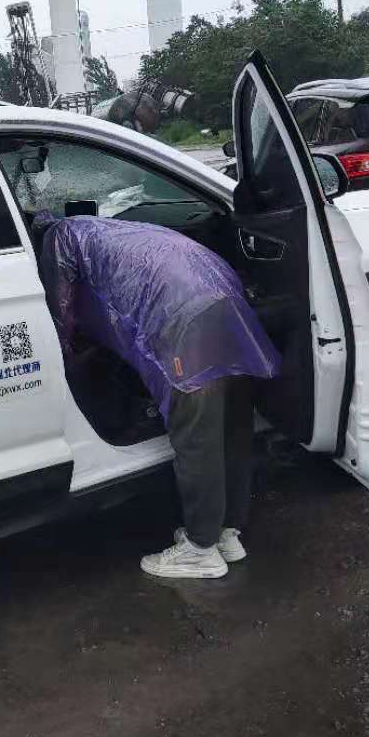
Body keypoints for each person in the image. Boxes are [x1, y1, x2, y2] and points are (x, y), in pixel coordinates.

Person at [34, 213, 282, 579]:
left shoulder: (58, 238)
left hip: (179, 318)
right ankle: (226, 533)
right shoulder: (107, 228)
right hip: (225, 299)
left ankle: (201, 549)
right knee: (232, 425)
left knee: (196, 437)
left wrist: (67, 354)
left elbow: (61, 308)